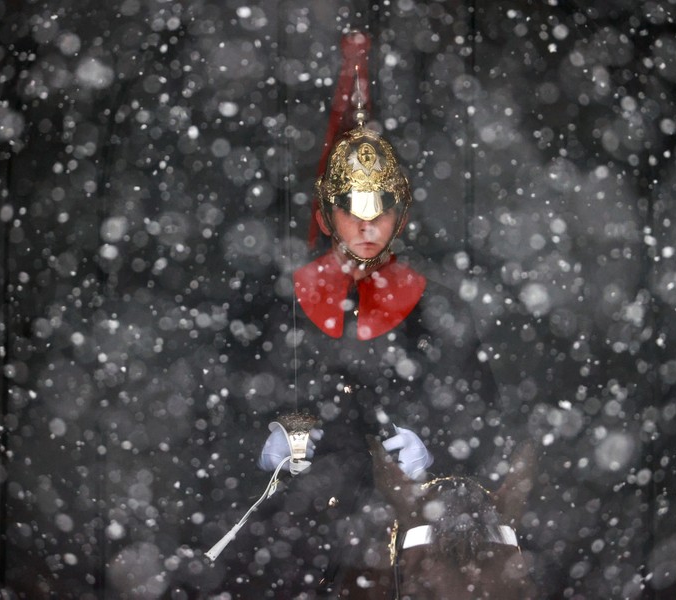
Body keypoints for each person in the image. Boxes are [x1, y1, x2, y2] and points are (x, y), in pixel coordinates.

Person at [211, 33, 515, 599]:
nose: (368, 226)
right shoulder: (272, 304)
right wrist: (259, 445)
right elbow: (219, 410)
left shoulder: (438, 306)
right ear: (327, 214)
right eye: (353, 210)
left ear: (401, 213)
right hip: (294, 524)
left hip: (413, 521)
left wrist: (436, 451)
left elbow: (483, 417)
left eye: (383, 210)